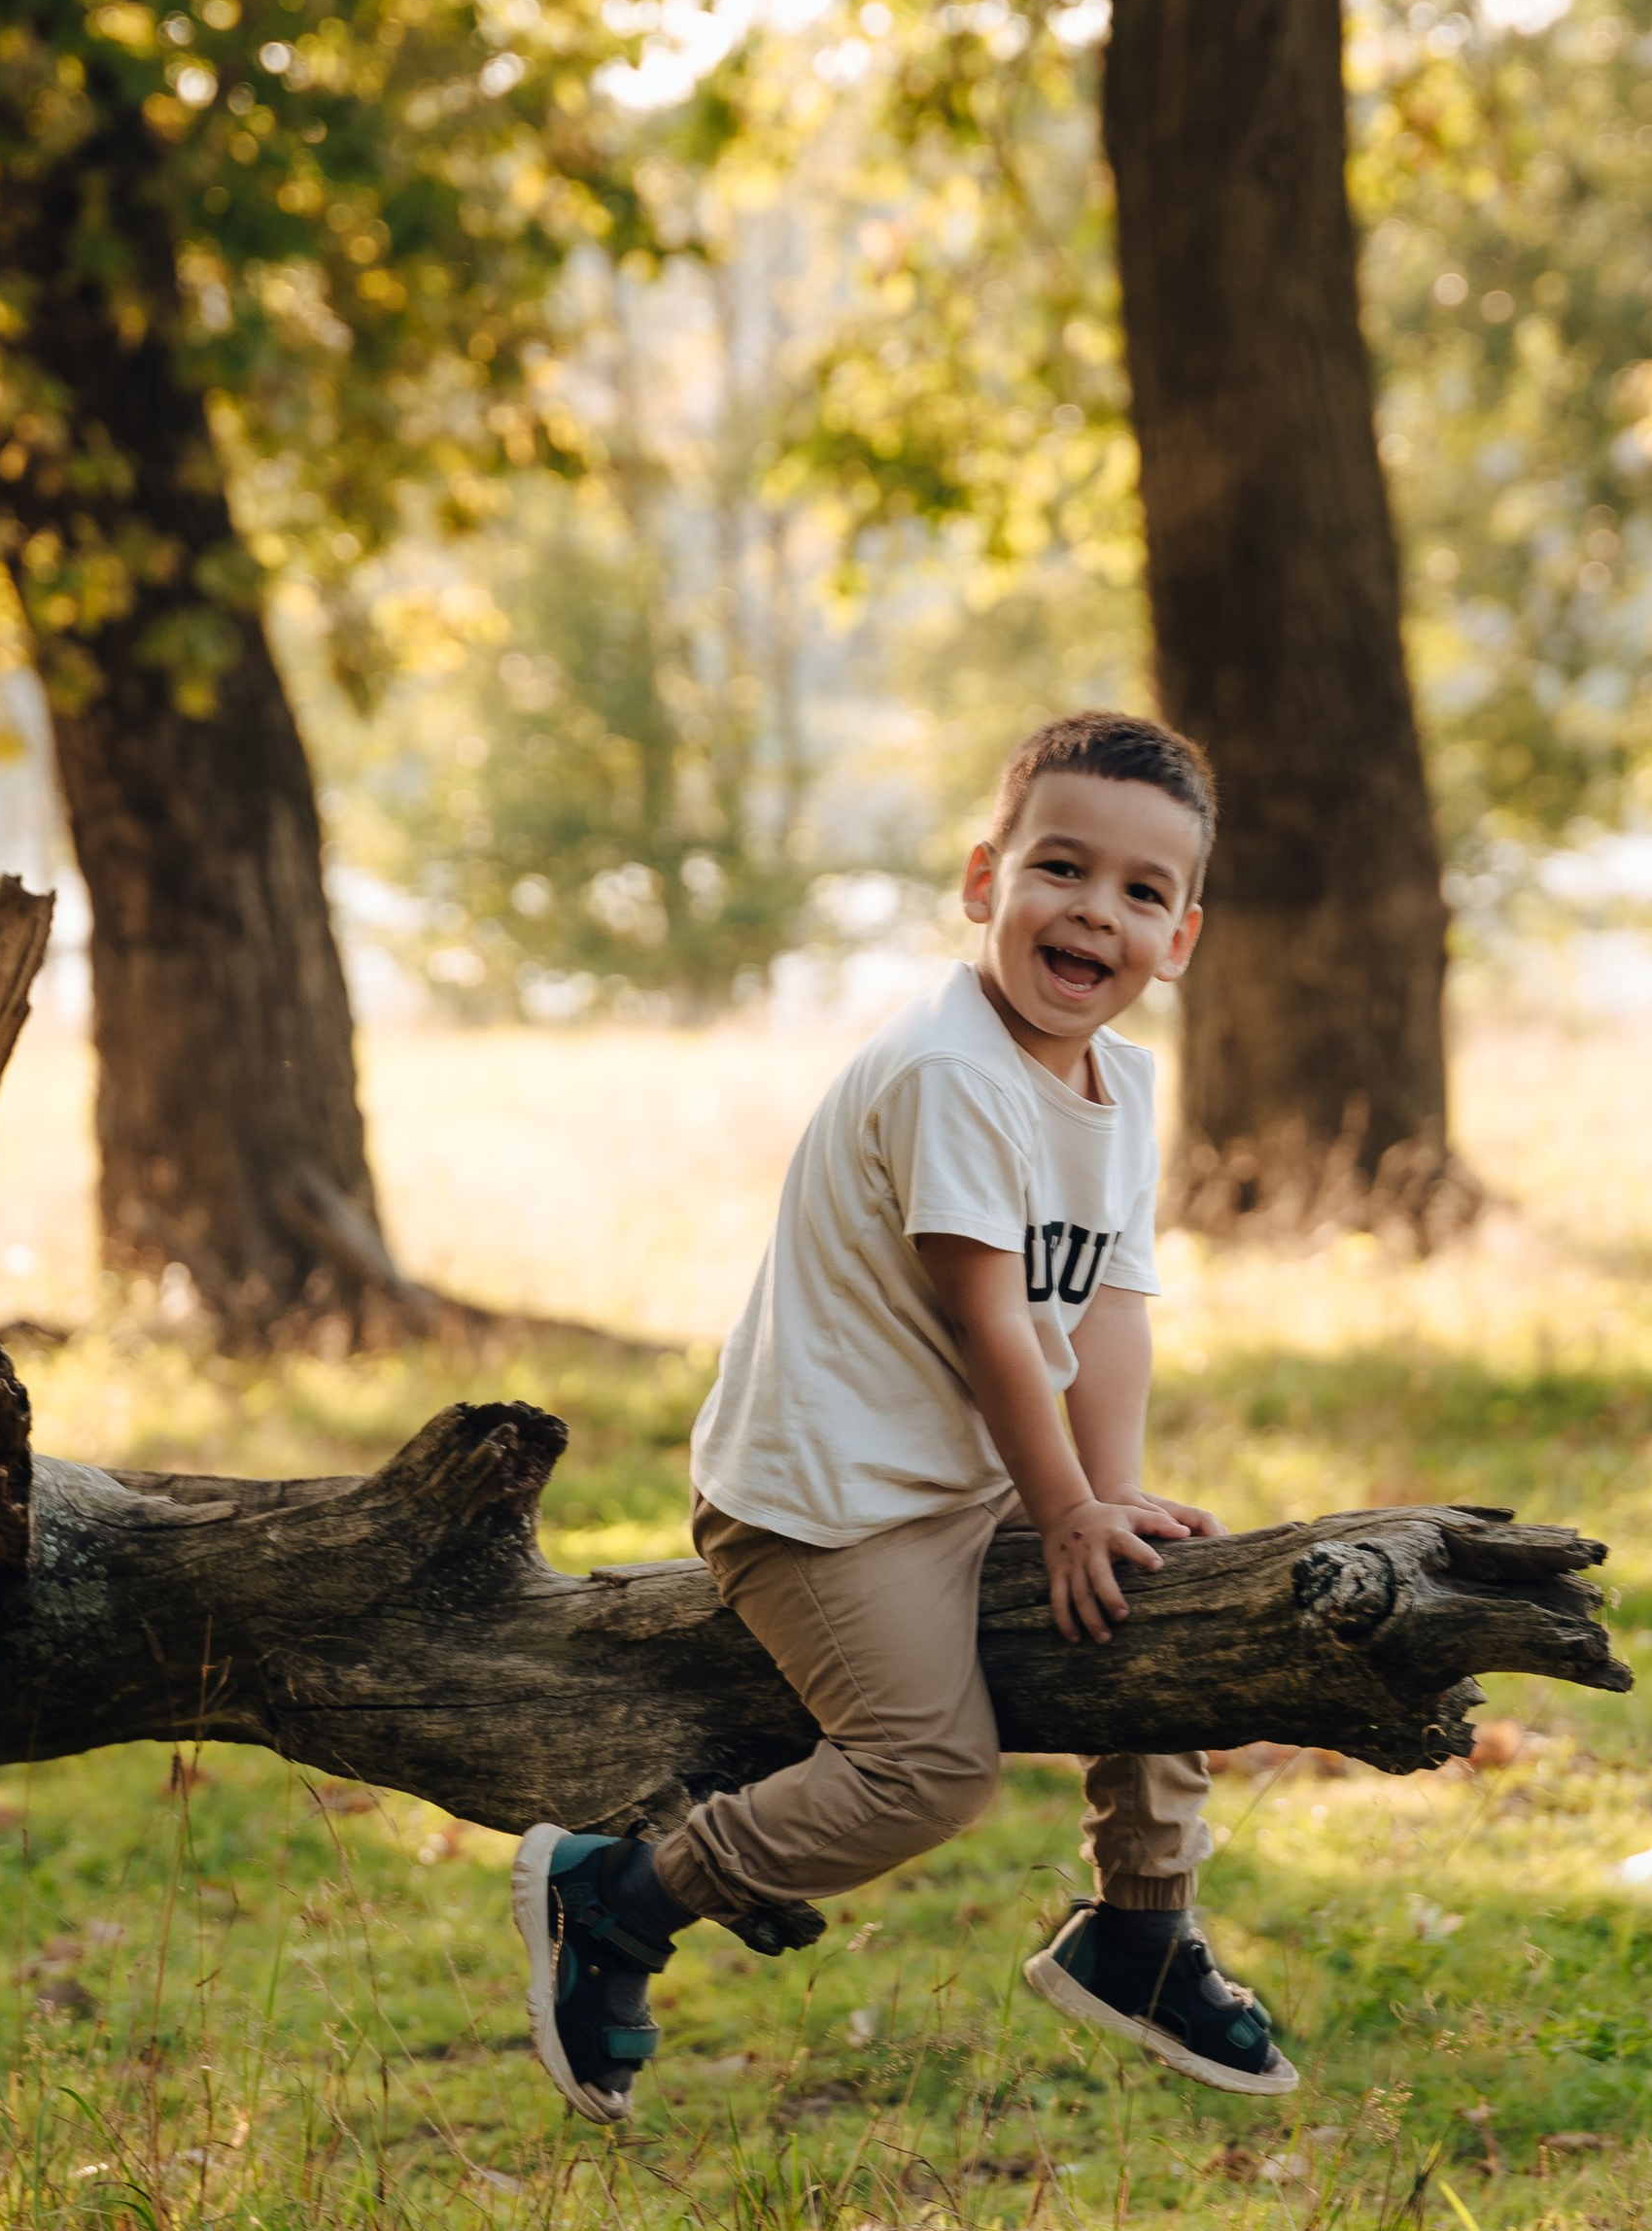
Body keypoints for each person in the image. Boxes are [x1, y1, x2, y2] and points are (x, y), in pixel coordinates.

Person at [511, 707, 1298, 2122]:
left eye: (1141, 891)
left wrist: (1102, 1509)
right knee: (929, 1769)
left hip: (973, 1474)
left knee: (1170, 1599)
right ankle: (620, 1894)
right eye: (1063, 868)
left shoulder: (1123, 1083)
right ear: (985, 878)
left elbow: (1107, 1306)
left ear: (1181, 936)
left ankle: (1139, 1931)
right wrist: (1056, 1506)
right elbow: (991, 1318)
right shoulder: (951, 1069)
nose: (1094, 912)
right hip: (828, 1494)